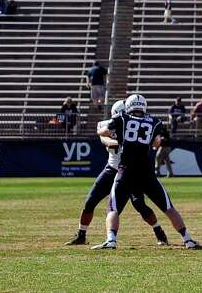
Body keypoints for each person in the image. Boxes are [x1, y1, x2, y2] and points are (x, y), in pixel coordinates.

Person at [93, 94, 198, 250]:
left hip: (126, 169)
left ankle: (111, 240)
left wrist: (118, 137)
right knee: (168, 207)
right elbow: (156, 143)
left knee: (113, 208)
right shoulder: (154, 121)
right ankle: (188, 239)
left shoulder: (122, 118)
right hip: (146, 171)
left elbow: (103, 132)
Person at [65, 99, 167, 246]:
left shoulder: (131, 123)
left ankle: (159, 232)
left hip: (129, 171)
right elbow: (104, 139)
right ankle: (81, 234)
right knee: (90, 202)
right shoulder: (108, 124)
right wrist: (120, 142)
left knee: (139, 204)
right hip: (112, 169)